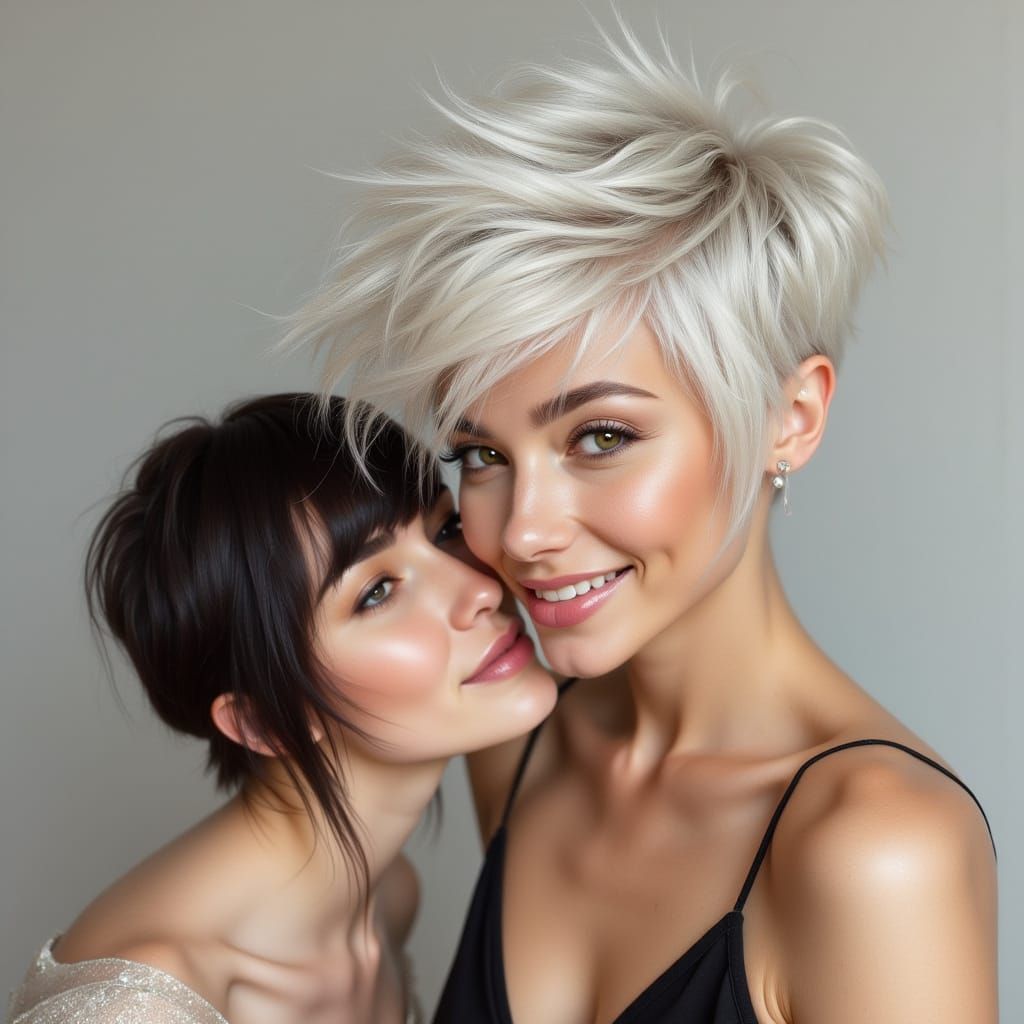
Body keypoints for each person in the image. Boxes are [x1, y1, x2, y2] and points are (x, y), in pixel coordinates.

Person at [284, 25, 999, 1024]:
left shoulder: (876, 848)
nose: (522, 529)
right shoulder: (519, 740)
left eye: (600, 435)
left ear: (788, 420)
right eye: (482, 455)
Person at [6, 393, 556, 1024]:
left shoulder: (388, 900)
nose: (484, 588)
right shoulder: (138, 1008)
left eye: (446, 530)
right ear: (261, 721)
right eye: (377, 592)